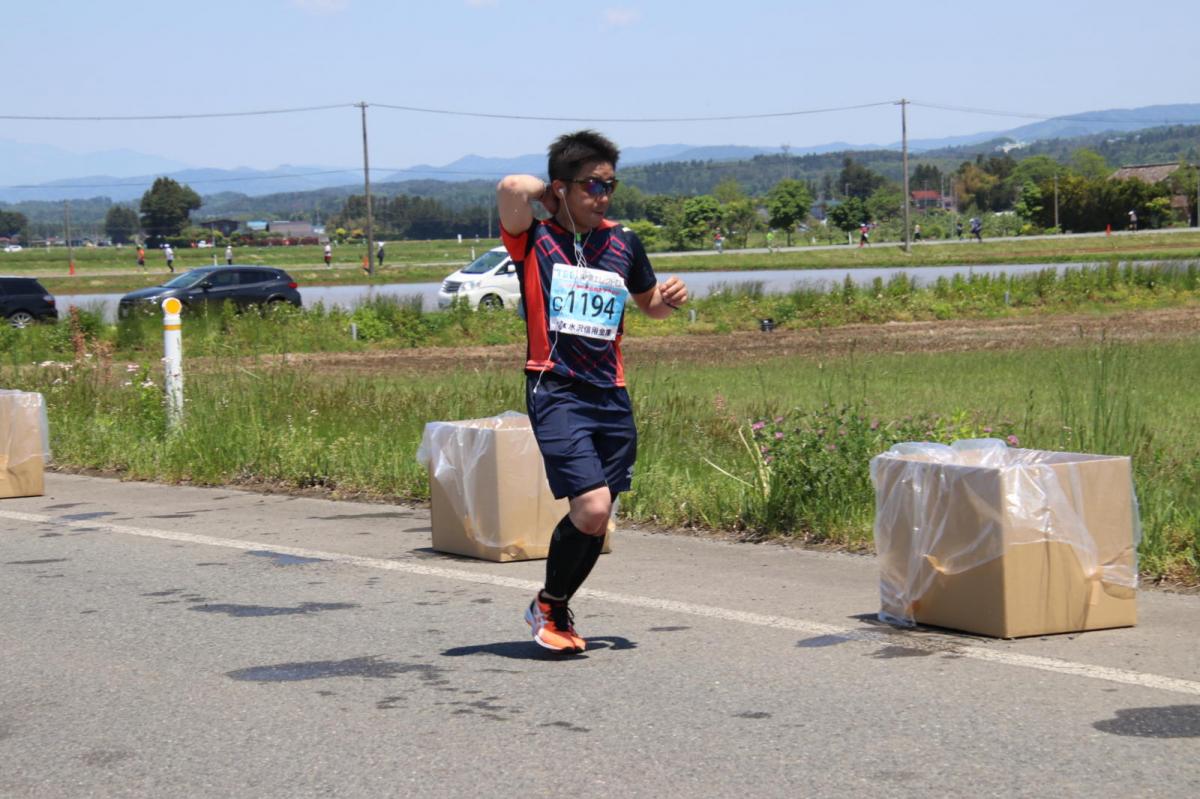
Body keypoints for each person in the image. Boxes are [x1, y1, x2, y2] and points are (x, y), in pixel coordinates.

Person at [497, 130, 688, 654]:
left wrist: (669, 298)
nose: (603, 196)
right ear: (561, 188)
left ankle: (552, 606)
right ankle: (551, 608)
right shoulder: (534, 239)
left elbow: (649, 305)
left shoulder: (623, 240)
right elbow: (512, 185)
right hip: (554, 385)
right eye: (592, 186)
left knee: (597, 518)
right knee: (593, 505)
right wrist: (550, 193)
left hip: (611, 392)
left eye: (610, 185)